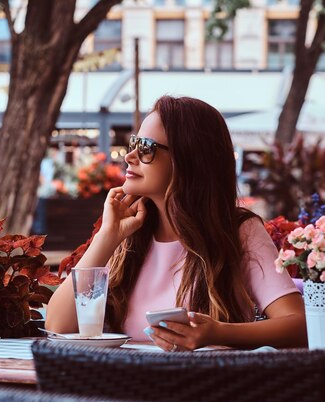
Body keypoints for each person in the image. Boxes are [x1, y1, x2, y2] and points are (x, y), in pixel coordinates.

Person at [46, 96, 306, 351]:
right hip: (125, 386)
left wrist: (216, 332)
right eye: (133, 144)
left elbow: (298, 325)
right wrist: (107, 237)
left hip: (205, 387)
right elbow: (58, 326)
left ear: (189, 159)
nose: (130, 157)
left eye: (146, 148)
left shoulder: (238, 230)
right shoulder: (127, 234)